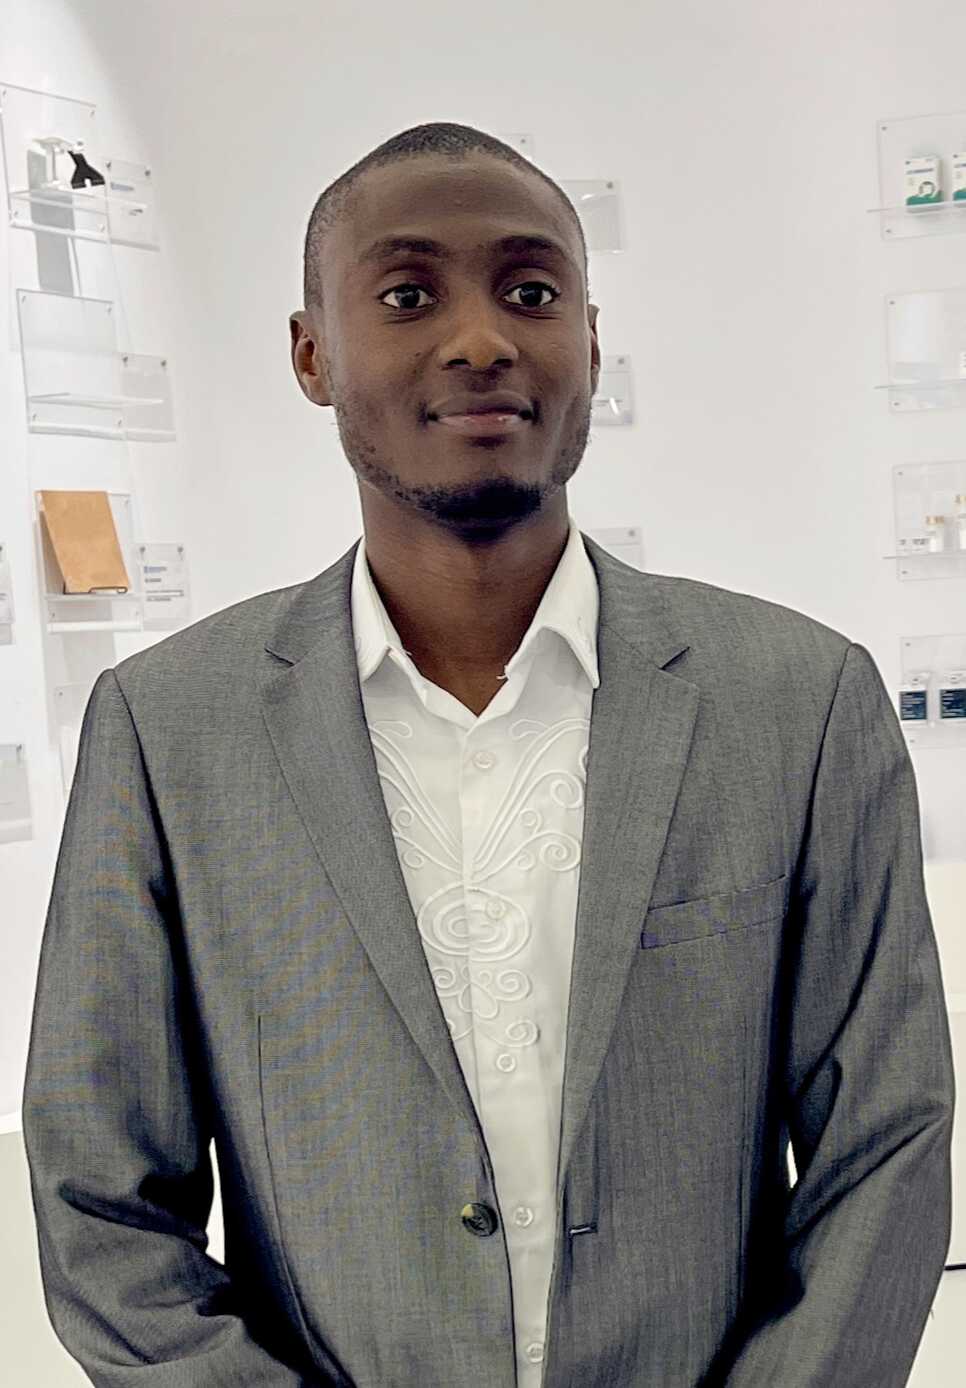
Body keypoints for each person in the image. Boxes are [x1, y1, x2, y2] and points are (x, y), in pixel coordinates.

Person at [22, 121, 956, 1388]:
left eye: (530, 292)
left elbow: (886, 1142)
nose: (482, 340)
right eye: (409, 295)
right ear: (311, 352)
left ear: (591, 339)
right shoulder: (170, 728)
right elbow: (100, 1194)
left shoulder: (799, 702)